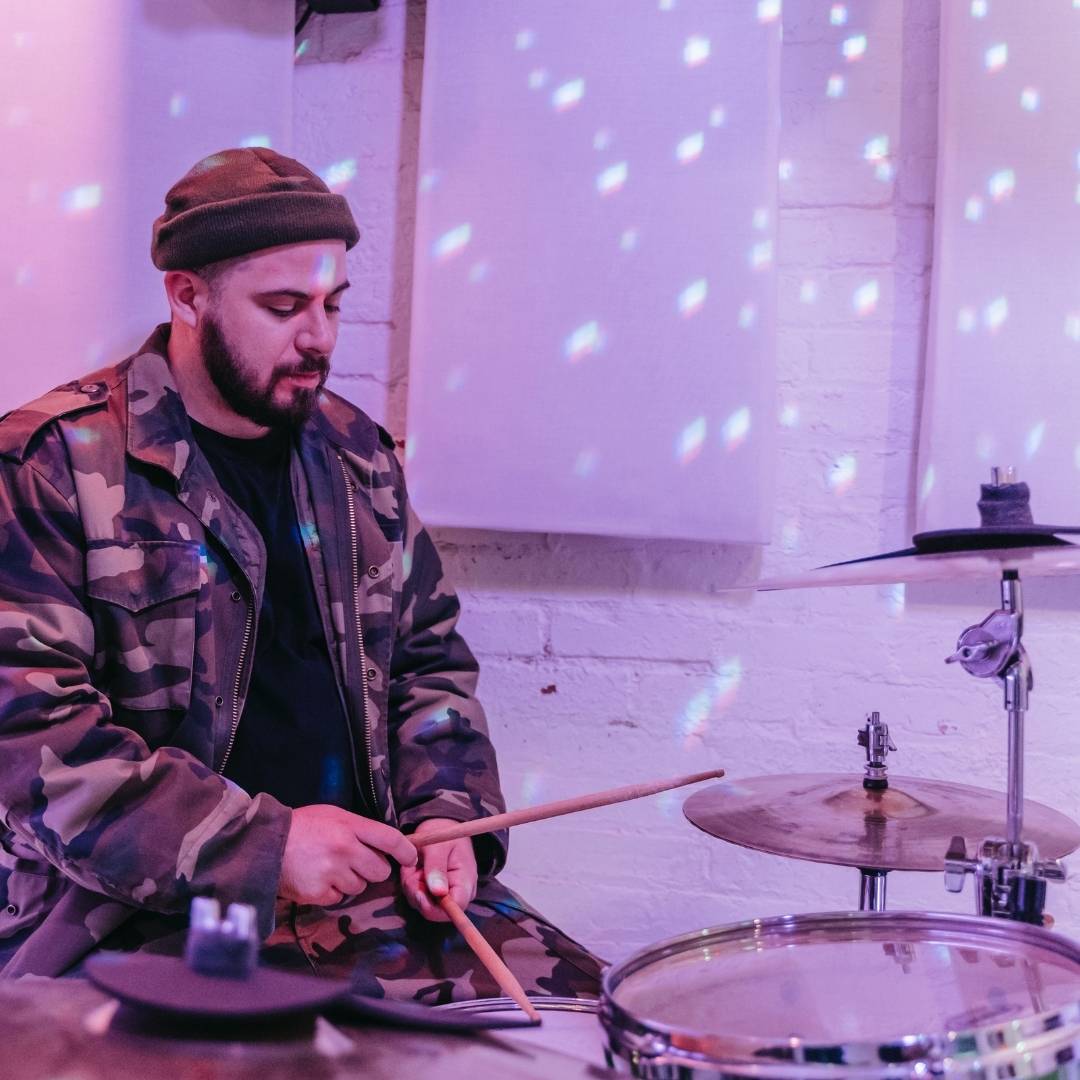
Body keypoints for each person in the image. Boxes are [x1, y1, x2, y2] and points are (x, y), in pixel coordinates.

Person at [0, 147, 601, 1001]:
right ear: (187, 295)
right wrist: (264, 847)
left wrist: (447, 815)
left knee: (595, 1021)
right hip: (150, 911)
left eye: (330, 305)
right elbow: (30, 746)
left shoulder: (356, 455)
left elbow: (428, 664)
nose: (317, 336)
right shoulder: (53, 464)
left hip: (370, 894)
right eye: (283, 307)